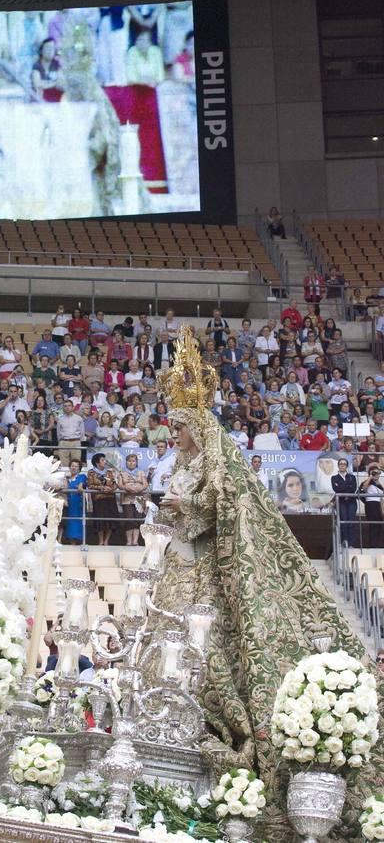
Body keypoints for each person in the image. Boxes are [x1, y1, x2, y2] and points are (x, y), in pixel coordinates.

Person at [149, 327, 383, 830]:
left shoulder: (217, 460)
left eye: (179, 425)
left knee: (207, 653)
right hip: (176, 561)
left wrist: (183, 506)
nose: (174, 433)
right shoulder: (181, 464)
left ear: (197, 424)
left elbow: (222, 504)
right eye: (172, 425)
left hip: (204, 569)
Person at [87, 452, 119, 546]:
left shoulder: (109, 472)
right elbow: (90, 485)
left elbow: (114, 484)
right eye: (102, 460)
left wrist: (111, 489)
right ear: (97, 462)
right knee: (100, 520)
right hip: (99, 499)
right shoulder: (91, 472)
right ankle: (100, 540)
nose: (105, 461)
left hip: (110, 498)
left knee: (110, 520)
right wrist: (101, 488)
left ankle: (106, 540)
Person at [118, 452, 147, 546]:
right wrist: (127, 488)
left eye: (133, 461)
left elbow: (145, 484)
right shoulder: (122, 472)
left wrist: (140, 488)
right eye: (129, 461)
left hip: (139, 498)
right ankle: (129, 541)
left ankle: (135, 541)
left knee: (138, 519)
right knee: (129, 519)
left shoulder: (141, 472)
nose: (131, 463)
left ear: (136, 462)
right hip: (127, 499)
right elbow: (119, 484)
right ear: (126, 462)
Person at [331, 457, 357, 547]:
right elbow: (336, 489)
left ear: (347, 466)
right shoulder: (334, 478)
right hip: (341, 502)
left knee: (351, 521)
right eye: (341, 464)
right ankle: (344, 543)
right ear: (338, 466)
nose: (342, 465)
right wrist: (347, 487)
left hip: (351, 502)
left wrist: (343, 489)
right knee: (343, 521)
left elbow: (353, 488)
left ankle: (351, 543)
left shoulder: (352, 477)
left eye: (344, 464)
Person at [62, 458, 87, 546]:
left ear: (79, 468)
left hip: (78, 502)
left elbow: (80, 485)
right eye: (72, 466)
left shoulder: (82, 476)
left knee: (78, 521)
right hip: (69, 503)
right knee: (70, 522)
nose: (74, 468)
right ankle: (72, 542)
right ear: (69, 467)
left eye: (76, 466)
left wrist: (80, 487)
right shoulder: (67, 479)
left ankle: (79, 542)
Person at [359, 464, 384, 548]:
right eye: (375, 472)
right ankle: (372, 545)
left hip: (378, 506)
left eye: (378, 473)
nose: (377, 474)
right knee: (373, 525)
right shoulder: (367, 482)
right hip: (371, 504)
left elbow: (381, 498)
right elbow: (363, 489)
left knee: (379, 525)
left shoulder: (379, 484)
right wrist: (370, 477)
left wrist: (382, 511)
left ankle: (377, 545)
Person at [56, 399, 84, 467]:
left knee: (76, 463)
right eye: (65, 406)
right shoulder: (60, 419)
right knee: (64, 464)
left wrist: (79, 441)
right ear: (63, 408)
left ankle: (75, 477)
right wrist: (61, 442)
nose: (67, 407)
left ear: (72, 407)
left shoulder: (79, 418)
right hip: (63, 442)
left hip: (76, 442)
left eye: (69, 405)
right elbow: (58, 433)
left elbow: (82, 432)